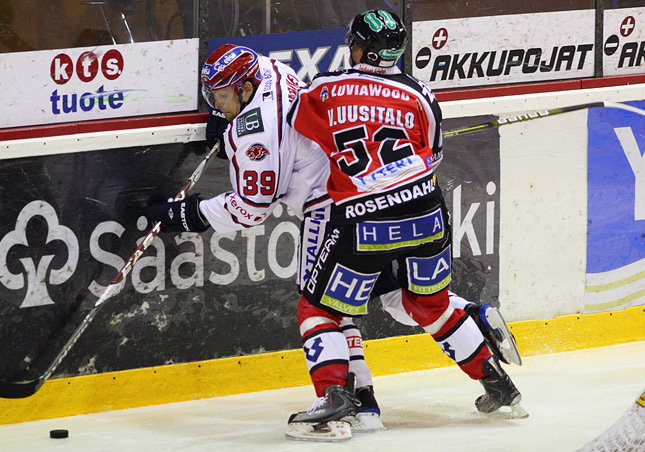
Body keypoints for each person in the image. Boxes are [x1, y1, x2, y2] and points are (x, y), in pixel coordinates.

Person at [148, 41, 522, 440]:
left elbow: (251, 208)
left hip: (339, 209)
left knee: (325, 308)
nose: (218, 104)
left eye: (223, 97)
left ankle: (354, 403)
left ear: (244, 87)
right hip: (411, 198)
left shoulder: (256, 126)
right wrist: (231, 131)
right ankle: (478, 330)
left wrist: (187, 214)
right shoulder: (270, 68)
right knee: (406, 300)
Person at [283, 9, 524, 441]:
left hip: (362, 217)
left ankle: (335, 397)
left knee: (319, 307)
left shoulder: (323, 87)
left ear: (357, 46)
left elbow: (294, 126)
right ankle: (500, 389)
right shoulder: (420, 93)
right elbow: (431, 157)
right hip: (426, 212)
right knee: (430, 304)